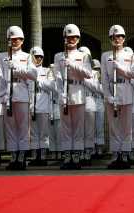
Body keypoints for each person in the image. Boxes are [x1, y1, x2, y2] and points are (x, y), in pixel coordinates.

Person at [101, 25, 134, 169]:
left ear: (124, 38)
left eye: (119, 36)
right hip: (112, 91)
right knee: (114, 127)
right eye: (113, 37)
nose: (117, 39)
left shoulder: (131, 55)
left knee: (126, 127)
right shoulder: (106, 56)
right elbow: (104, 79)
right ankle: (116, 154)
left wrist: (121, 69)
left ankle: (125, 154)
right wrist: (108, 96)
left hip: (126, 91)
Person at [54, 24, 92, 170]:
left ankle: (76, 157)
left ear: (78, 39)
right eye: (68, 37)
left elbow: (88, 73)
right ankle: (67, 156)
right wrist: (61, 94)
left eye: (74, 37)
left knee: (77, 128)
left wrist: (72, 65)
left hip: (78, 93)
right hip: (64, 94)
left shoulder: (83, 55)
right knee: (66, 128)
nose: (71, 39)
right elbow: (57, 77)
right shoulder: (58, 56)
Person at [0, 25, 37, 170]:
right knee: (10, 128)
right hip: (7, 95)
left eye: (17, 39)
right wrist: (3, 95)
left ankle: (21, 157)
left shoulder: (27, 56)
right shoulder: (2, 57)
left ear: (22, 41)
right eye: (11, 39)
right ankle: (13, 156)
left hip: (21, 93)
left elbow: (33, 75)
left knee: (22, 127)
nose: (14, 42)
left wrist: (16, 68)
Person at [28, 46, 53, 167]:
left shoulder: (47, 71)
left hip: (43, 105)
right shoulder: (27, 71)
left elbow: (52, 86)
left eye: (40, 57)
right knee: (33, 133)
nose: (38, 59)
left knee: (43, 133)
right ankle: (34, 156)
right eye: (36, 56)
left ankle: (42, 156)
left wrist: (39, 82)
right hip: (31, 106)